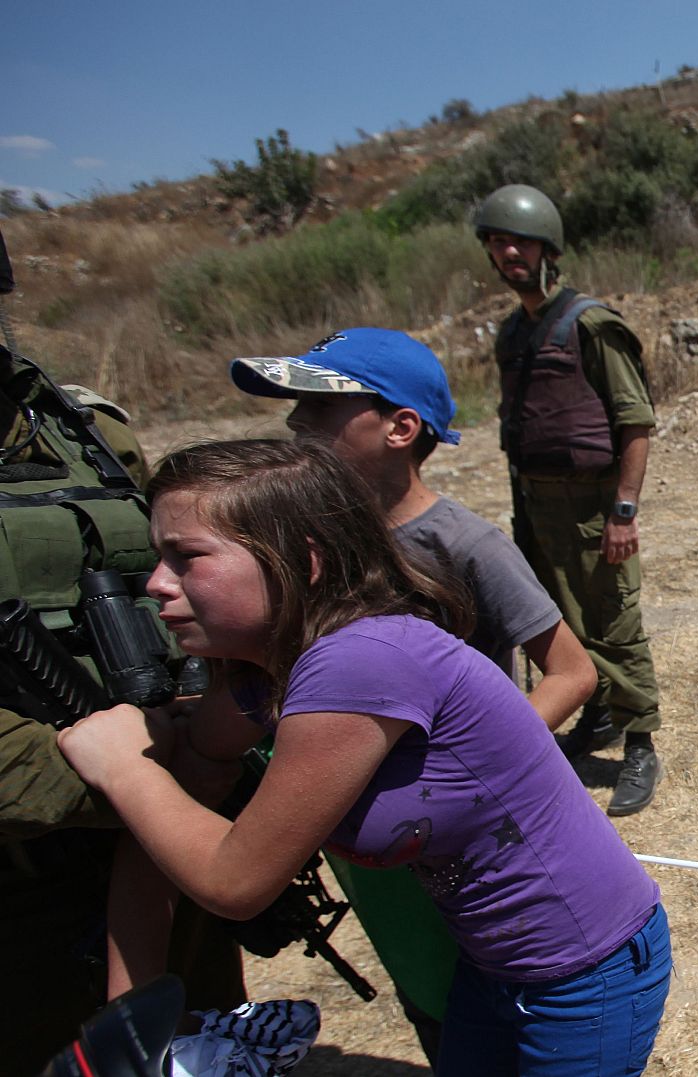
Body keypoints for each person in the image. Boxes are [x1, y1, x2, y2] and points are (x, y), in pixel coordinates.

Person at [57, 438, 672, 1076]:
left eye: (187, 557)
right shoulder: (266, 667)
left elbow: (234, 881)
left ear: (304, 561)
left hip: (586, 973)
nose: (157, 584)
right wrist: (125, 1016)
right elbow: (187, 786)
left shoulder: (359, 660)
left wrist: (123, 766)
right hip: (493, 967)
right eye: (159, 557)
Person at [229, 327, 598, 1064]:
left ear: (401, 428)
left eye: (320, 409)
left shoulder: (466, 545)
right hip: (373, 840)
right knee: (429, 991)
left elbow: (571, 670)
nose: (296, 424)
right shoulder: (315, 548)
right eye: (295, 407)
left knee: (487, 991)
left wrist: (491, 774)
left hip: (462, 841)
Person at [0, 230, 243, 1075]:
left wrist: (201, 730)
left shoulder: (84, 430)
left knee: (194, 1043)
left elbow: (171, 584)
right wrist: (136, 771)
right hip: (31, 861)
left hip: (161, 816)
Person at [475, 183, 663, 816]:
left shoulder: (589, 324)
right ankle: (598, 715)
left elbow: (635, 423)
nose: (508, 252)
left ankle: (639, 742)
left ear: (547, 248)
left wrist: (624, 511)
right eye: (498, 242)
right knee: (552, 619)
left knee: (611, 621)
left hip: (592, 506)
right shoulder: (513, 333)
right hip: (536, 506)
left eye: (519, 241)